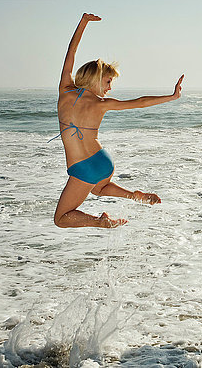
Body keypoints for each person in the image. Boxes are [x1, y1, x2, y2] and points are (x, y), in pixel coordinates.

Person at [52, 13, 184, 228]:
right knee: (99, 189)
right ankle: (135, 195)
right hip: (102, 160)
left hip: (83, 166)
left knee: (61, 218)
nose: (110, 87)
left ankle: (100, 222)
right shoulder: (101, 104)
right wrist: (171, 97)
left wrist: (83, 22)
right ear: (95, 77)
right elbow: (140, 102)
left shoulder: (64, 90)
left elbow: (71, 53)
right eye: (108, 81)